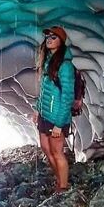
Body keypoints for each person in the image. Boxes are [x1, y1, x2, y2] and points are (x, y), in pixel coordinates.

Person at [33, 25, 75, 192]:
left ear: (61, 42)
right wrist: (37, 109)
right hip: (44, 114)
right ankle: (59, 181)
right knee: (46, 148)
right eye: (47, 37)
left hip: (56, 116)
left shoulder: (65, 66)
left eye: (53, 37)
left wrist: (59, 124)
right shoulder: (48, 61)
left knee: (57, 152)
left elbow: (67, 97)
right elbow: (44, 90)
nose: (49, 39)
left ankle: (63, 188)